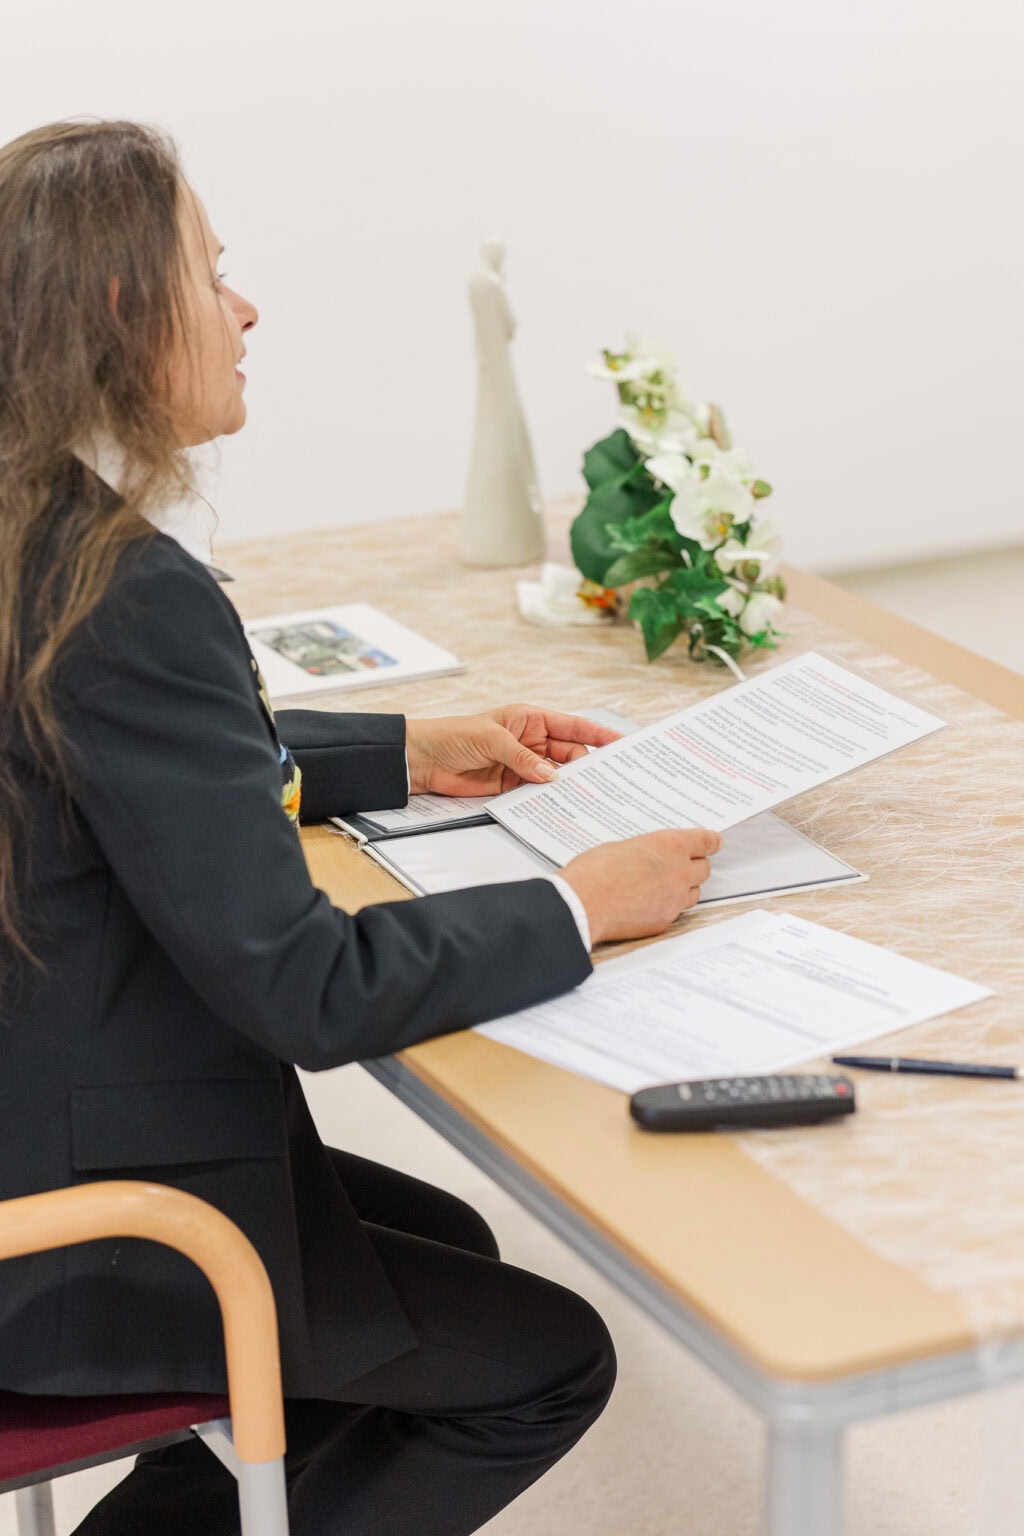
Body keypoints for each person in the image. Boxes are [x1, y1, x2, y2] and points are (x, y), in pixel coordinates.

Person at [0, 120, 722, 1536]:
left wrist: (403, 746)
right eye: (215, 274)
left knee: (443, 1245)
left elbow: (115, 769)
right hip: (90, 1235)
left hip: (35, 1131)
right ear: (119, 312)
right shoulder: (122, 589)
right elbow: (307, 988)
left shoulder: (34, 537)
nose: (247, 307)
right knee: (544, 1363)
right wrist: (580, 905)